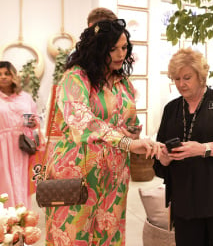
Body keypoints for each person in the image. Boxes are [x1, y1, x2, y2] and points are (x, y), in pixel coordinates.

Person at [44, 18, 163, 245]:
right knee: (72, 234)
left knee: (109, 234)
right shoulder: (75, 77)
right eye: (113, 48)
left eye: (124, 47)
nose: (120, 54)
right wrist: (126, 142)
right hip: (77, 172)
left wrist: (137, 136)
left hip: (114, 175)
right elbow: (82, 120)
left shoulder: (123, 82)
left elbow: (129, 121)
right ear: (98, 48)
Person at [154, 48, 213, 246]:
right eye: (177, 78)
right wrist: (164, 157)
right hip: (185, 203)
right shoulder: (171, 109)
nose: (181, 84)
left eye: (187, 77)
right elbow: (161, 150)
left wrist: (203, 149)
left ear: (201, 76)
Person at [0, 61, 39, 208]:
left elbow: (35, 119)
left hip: (22, 146)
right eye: (0, 74)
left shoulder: (25, 97)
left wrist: (33, 122)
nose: (3, 77)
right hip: (2, 147)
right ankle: (5, 225)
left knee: (22, 183)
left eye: (7, 73)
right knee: (4, 186)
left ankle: (23, 223)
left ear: (13, 76)